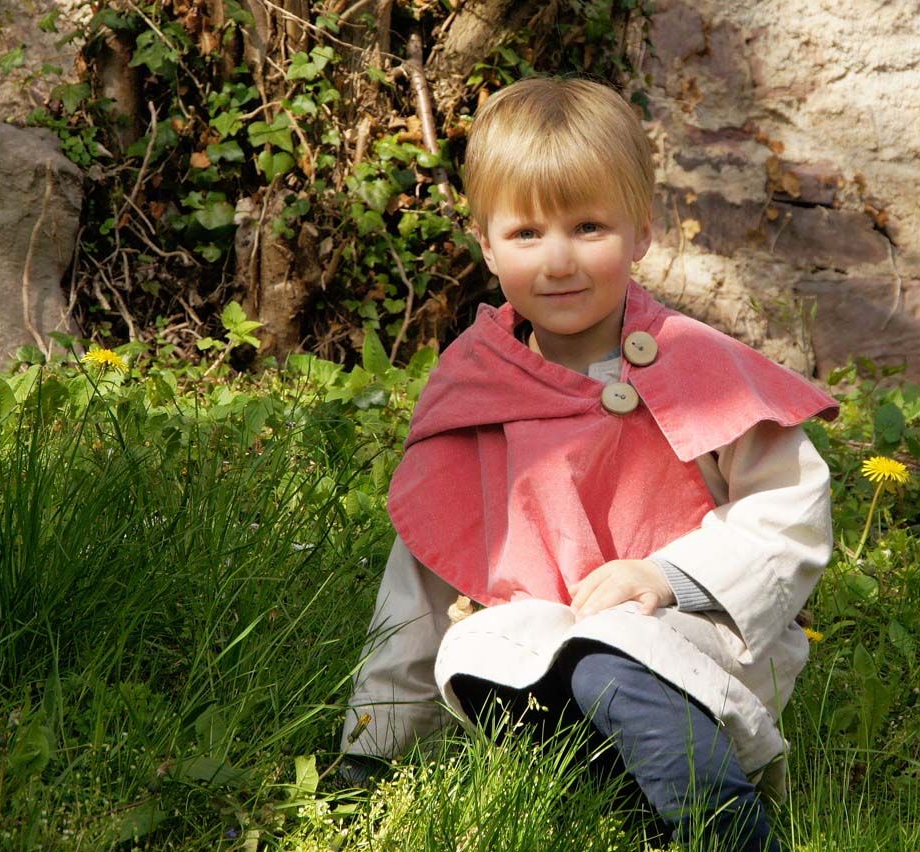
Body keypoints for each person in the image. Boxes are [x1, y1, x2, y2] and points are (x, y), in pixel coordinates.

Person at [337, 76, 837, 851]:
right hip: (543, 651)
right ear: (485, 243)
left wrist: (667, 576)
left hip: (682, 638)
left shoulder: (695, 365)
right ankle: (611, 800)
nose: (559, 260)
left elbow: (788, 508)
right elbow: (419, 588)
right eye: (526, 233)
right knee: (482, 651)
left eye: (588, 227)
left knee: (610, 659)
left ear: (640, 232)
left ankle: (724, 827)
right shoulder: (476, 388)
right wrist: (369, 754)